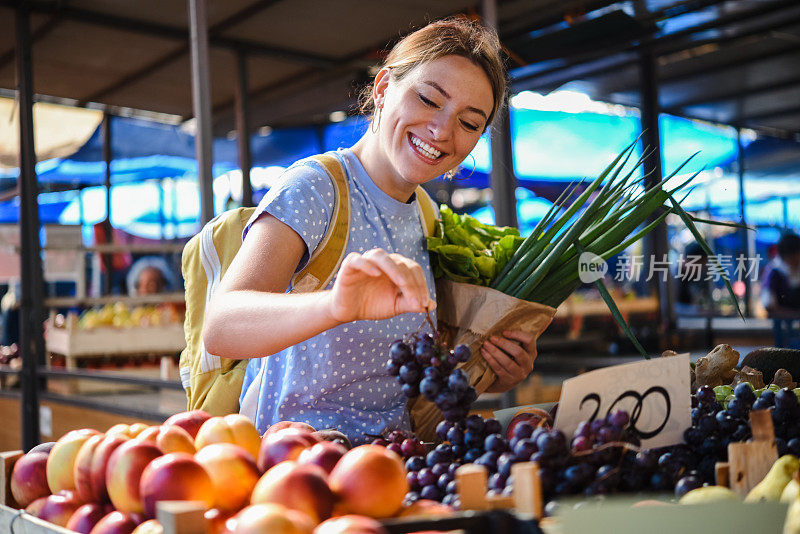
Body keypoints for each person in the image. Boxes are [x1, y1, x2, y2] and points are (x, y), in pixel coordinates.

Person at [203, 17, 538, 442]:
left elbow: (410, 372)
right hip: (300, 466)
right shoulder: (318, 188)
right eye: (429, 99)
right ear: (382, 89)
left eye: (469, 123)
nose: (442, 131)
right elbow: (222, 326)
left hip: (396, 468)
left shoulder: (427, 215)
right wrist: (335, 306)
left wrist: (497, 369)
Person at [761, 232, 800, 317]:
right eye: (794, 258)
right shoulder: (773, 272)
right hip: (781, 325)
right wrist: (795, 315)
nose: (797, 261)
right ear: (784, 256)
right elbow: (769, 306)